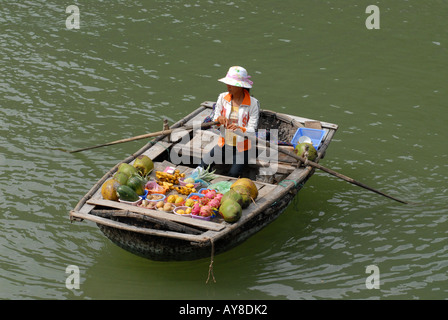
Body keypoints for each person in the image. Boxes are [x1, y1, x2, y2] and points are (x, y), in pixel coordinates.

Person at [200, 66, 260, 177]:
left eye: (232, 84)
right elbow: (215, 118)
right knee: (202, 166)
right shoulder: (222, 98)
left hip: (243, 147)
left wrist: (239, 129)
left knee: (233, 174)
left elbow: (252, 130)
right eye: (228, 83)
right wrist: (219, 119)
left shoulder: (253, 103)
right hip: (223, 144)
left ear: (241, 86)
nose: (228, 86)